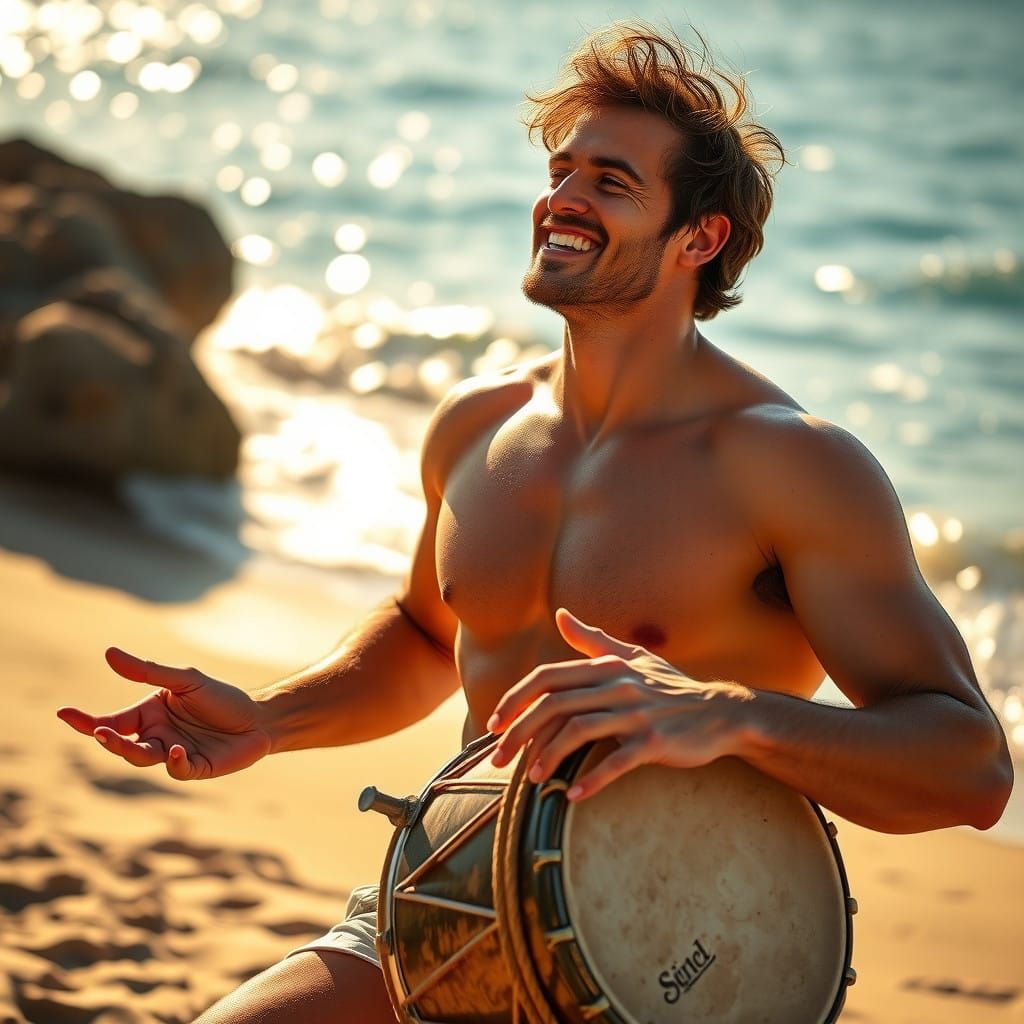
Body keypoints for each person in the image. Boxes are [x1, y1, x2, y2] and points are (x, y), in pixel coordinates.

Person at [57, 23, 1013, 1024]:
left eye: (610, 181)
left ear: (700, 237)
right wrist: (270, 716)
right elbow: (432, 636)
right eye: (560, 171)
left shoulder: (791, 465)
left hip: (667, 966)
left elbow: (969, 767)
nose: (561, 197)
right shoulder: (476, 427)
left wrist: (728, 712)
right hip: (440, 900)